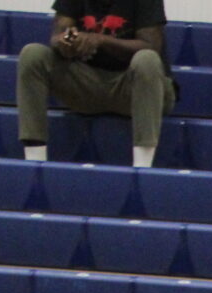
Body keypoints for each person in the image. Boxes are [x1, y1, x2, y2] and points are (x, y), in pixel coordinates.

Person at [16, 0, 175, 169]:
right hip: (88, 85)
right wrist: (67, 43)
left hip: (133, 88)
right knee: (32, 54)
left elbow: (151, 45)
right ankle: (34, 162)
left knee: (147, 59)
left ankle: (142, 168)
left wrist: (100, 40)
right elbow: (58, 34)